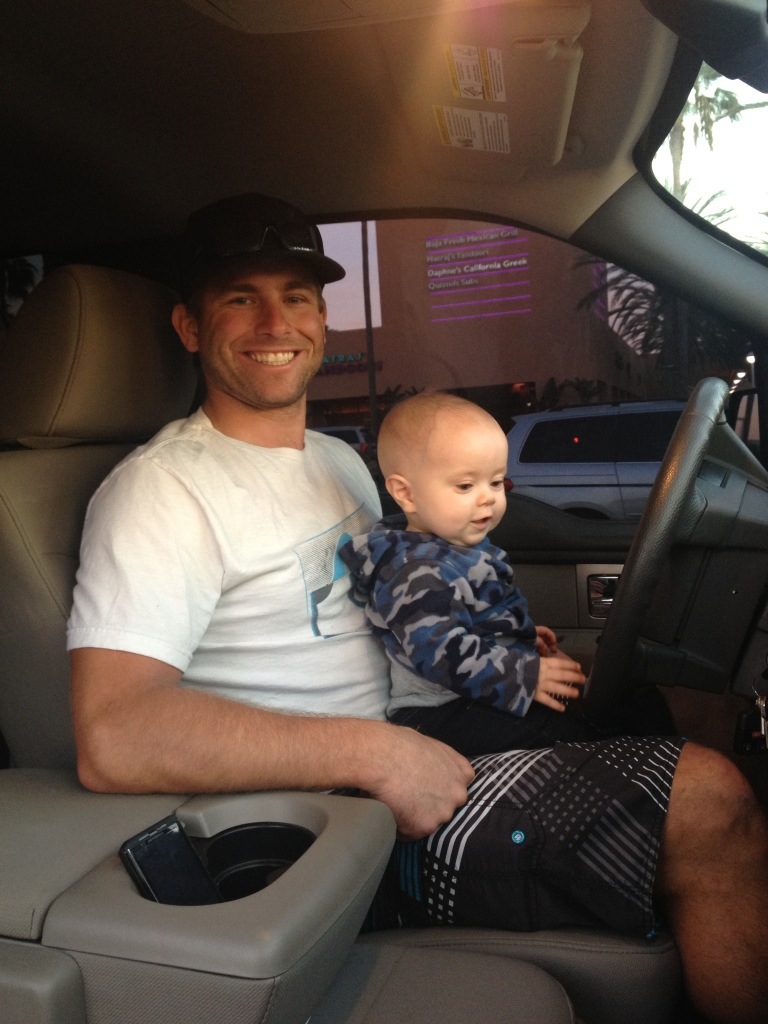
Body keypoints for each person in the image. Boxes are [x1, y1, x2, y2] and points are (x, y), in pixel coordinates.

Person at [67, 192, 768, 1024]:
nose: (276, 323)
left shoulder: (334, 460)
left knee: (702, 712)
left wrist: (502, 644)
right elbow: (115, 733)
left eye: (297, 297)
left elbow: (407, 605)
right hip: (342, 824)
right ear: (190, 327)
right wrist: (373, 753)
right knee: (710, 800)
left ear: (323, 319)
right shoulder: (160, 490)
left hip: (428, 731)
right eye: (240, 298)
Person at [341, 392, 594, 757]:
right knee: (573, 736)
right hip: (440, 714)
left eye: (496, 482)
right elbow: (441, 654)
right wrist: (522, 672)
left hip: (471, 694)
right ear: (406, 494)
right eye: (465, 486)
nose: (487, 497)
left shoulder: (456, 548)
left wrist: (510, 635)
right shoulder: (417, 571)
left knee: (585, 711)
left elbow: (466, 619)